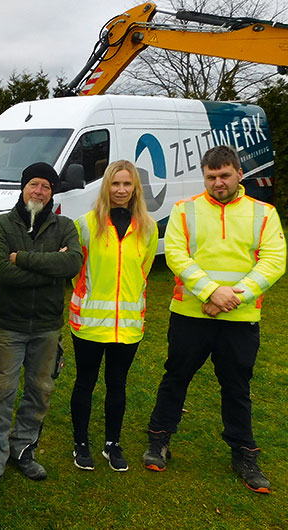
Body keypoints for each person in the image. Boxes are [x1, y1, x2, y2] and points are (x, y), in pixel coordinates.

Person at [143, 145, 285, 494]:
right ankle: (159, 440)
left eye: (224, 176)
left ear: (239, 173)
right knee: (175, 377)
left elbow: (273, 262)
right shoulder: (185, 210)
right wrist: (210, 292)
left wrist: (230, 296)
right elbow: (176, 254)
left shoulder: (264, 213)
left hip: (240, 318)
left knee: (237, 387)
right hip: (191, 315)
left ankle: (243, 453)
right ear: (204, 177)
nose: (218, 182)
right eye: (211, 177)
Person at [0, 162, 82, 498]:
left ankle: (23, 450)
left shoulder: (64, 225)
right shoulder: (0, 226)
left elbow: (73, 264)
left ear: (52, 192)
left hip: (48, 327)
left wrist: (23, 258)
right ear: (23, 188)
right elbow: (2, 273)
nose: (39, 191)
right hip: (10, 325)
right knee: (0, 395)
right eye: (34, 184)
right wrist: (51, 267)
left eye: (46, 186)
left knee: (40, 392)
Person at [68, 161, 157, 472]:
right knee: (85, 382)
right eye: (115, 184)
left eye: (127, 184)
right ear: (106, 186)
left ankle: (112, 443)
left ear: (135, 188)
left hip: (128, 325)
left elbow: (143, 271)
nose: (121, 190)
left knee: (117, 384)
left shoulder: (148, 227)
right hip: (89, 323)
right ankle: (81, 442)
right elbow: (75, 271)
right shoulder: (86, 224)